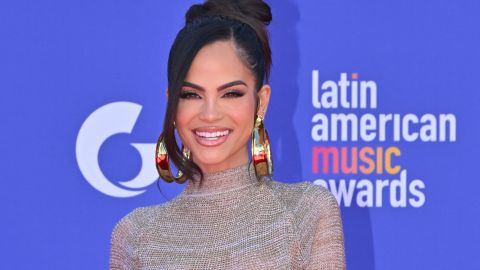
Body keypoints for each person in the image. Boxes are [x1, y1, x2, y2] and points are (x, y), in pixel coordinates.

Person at [110, 0, 346, 269]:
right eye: (191, 95)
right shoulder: (136, 235)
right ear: (172, 103)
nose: (210, 114)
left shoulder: (306, 212)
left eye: (231, 94)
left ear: (261, 102)